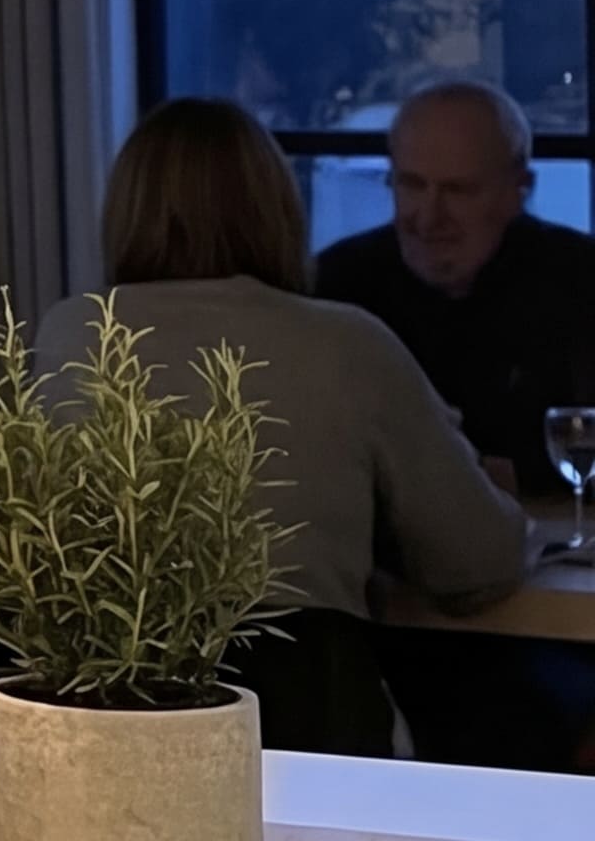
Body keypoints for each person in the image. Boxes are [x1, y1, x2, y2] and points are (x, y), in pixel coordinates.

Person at [39, 98, 529, 757]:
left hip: (109, 732)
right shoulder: (348, 341)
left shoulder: (69, 334)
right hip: (315, 735)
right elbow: (476, 565)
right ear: (277, 207)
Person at [315, 76, 595, 495]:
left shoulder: (581, 281)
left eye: (458, 191)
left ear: (520, 189)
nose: (428, 217)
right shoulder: (337, 285)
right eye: (411, 184)